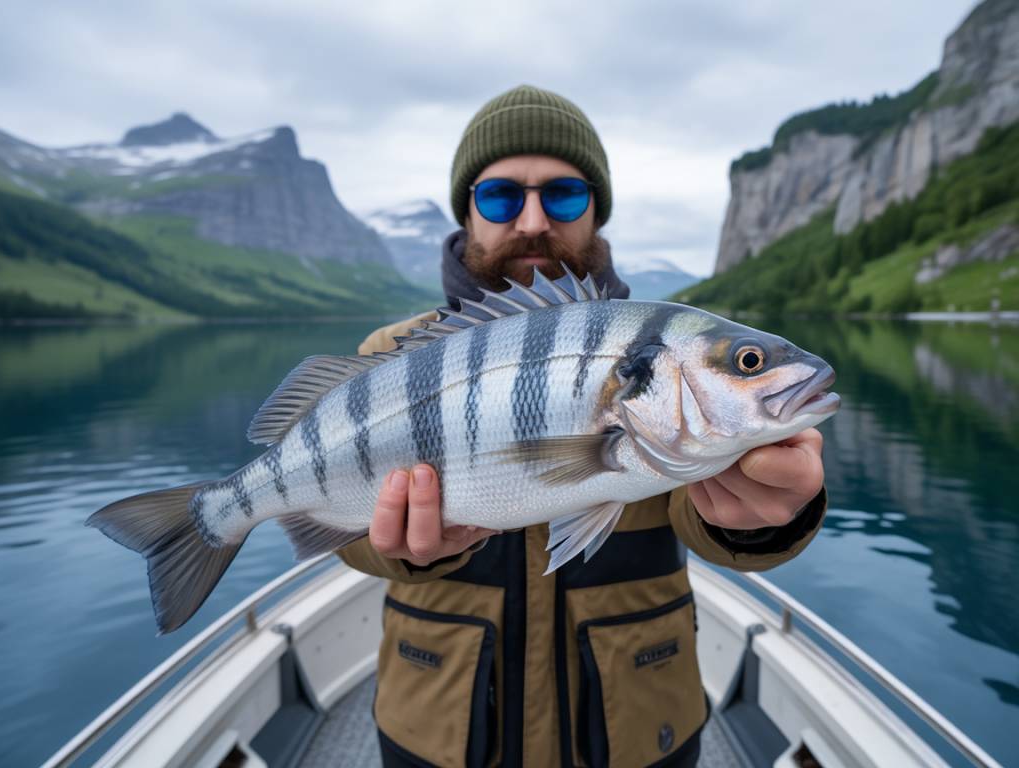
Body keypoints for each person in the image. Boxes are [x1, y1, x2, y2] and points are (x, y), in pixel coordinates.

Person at [338, 85, 827, 768]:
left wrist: (765, 516)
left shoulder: (660, 353)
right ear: (466, 212)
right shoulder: (386, 360)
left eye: (563, 194)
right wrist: (403, 547)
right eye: (502, 196)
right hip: (442, 725)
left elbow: (702, 515)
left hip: (633, 725)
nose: (533, 220)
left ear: (596, 209)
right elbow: (336, 527)